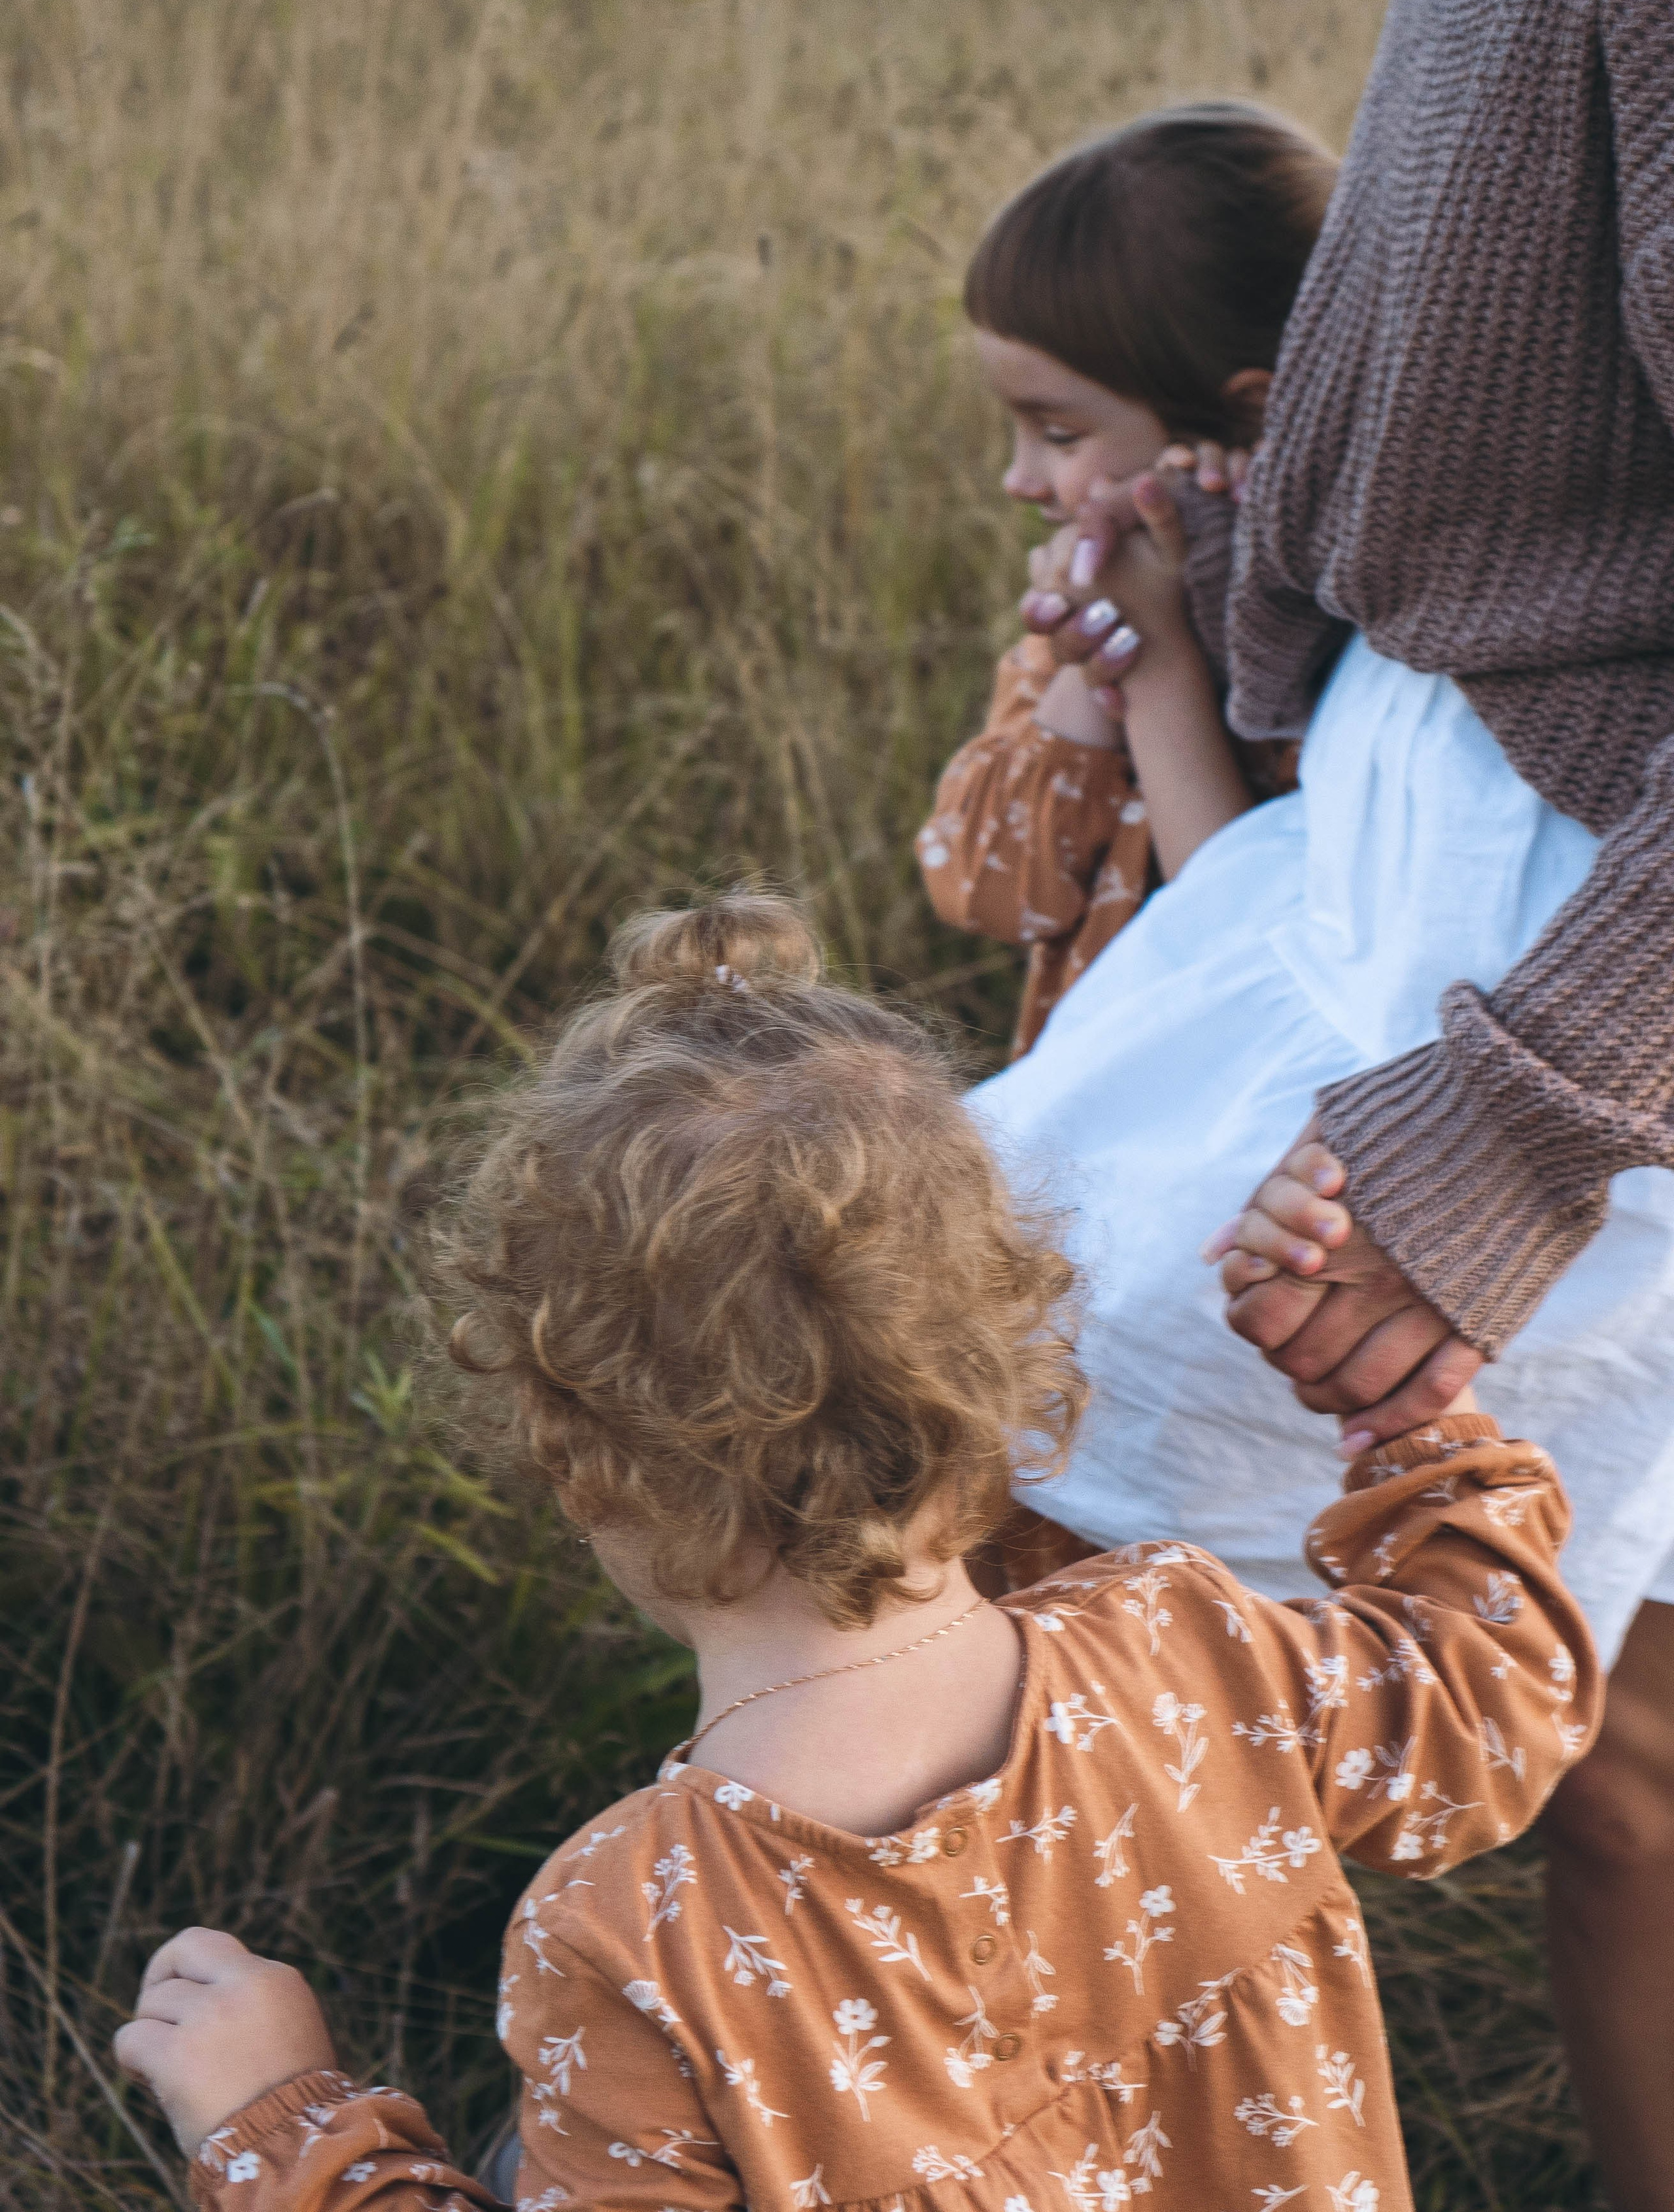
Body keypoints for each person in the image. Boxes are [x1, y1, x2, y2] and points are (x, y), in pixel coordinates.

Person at [114, 894, 1599, 2212]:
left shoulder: (634, 1932)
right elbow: (1490, 1699)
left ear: (574, 1457)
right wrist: (1415, 1426)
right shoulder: (1186, 1649)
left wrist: (281, 2128)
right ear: (1009, 1362)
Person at [966, 0, 1674, 2199]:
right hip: (1404, 885)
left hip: (1555, 977)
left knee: (1051, 1569)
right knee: (1615, 1749)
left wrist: (1509, 1119)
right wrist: (1242, 607)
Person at [917, 103, 1333, 1057]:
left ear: (1247, 420)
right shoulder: (1072, 625)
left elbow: (1247, 963)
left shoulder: (1343, 654)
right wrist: (1088, 665)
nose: (1020, 479)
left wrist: (1153, 668)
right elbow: (984, 885)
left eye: (1060, 435)